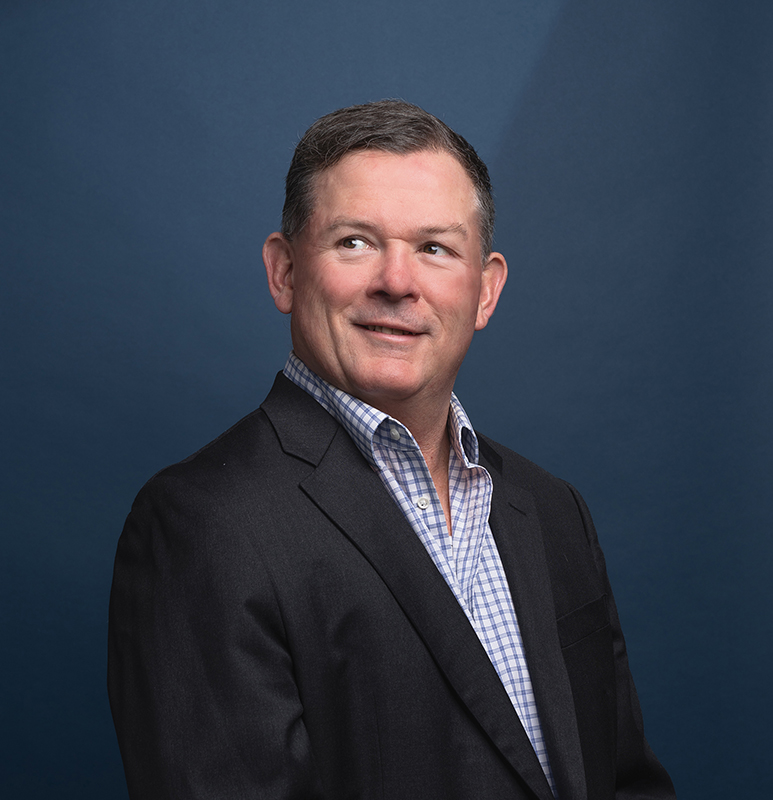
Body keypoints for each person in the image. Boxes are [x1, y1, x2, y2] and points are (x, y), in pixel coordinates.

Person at [108, 100, 675, 800]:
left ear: (486, 290)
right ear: (284, 272)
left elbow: (624, 783)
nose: (397, 282)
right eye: (355, 242)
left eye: (435, 247)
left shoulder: (553, 510)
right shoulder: (200, 527)